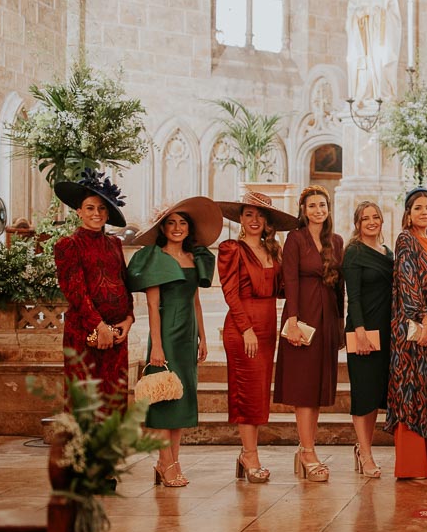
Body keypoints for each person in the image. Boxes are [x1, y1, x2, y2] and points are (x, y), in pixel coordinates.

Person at [127, 197, 222, 488]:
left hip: (187, 335)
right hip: (166, 333)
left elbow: (195, 301)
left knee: (180, 400)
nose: (178, 228)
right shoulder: (156, 258)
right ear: (163, 228)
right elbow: (153, 306)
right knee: (162, 399)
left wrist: (203, 337)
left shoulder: (194, 258)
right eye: (172, 223)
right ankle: (165, 463)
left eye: (182, 223)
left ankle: (171, 461)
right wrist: (156, 345)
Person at [216, 191, 300, 484]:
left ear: (268, 222)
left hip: (268, 325)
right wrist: (246, 328)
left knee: (260, 392)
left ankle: (247, 452)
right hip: (243, 328)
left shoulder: (273, 252)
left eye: (260, 216)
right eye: (249, 214)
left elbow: (280, 290)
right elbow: (230, 292)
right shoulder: (231, 249)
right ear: (240, 218)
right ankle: (249, 455)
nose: (254, 220)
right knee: (247, 392)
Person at [276, 185, 345, 483]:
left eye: (322, 205)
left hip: (327, 315)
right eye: (312, 206)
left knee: (317, 389)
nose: (318, 210)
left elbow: (339, 287)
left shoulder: (337, 241)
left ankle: (307, 447)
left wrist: (340, 324)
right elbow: (289, 278)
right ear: (303, 210)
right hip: (302, 315)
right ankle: (307, 451)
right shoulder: (295, 239)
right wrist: (292, 320)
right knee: (303, 389)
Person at [53, 171, 135, 411]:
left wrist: (128, 319)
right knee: (85, 395)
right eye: (90, 208)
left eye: (101, 209)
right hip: (84, 333)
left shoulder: (115, 244)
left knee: (114, 396)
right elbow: (75, 291)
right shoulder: (68, 245)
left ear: (108, 213)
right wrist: (99, 327)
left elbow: (124, 284)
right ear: (79, 212)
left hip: (118, 332)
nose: (96, 214)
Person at [386, 188, 427, 479]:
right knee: (412, 386)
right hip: (414, 322)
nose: (425, 212)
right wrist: (421, 317)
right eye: (419, 208)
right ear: (408, 214)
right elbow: (407, 279)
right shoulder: (405, 239)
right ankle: (412, 464)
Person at [343, 200, 393, 479]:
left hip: (385, 331)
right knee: (363, 394)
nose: (371, 222)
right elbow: (354, 296)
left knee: (375, 395)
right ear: (358, 224)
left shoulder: (387, 253)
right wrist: (359, 331)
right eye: (365, 218)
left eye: (375, 217)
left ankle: (363, 447)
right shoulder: (354, 252)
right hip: (363, 331)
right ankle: (366, 453)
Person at [345, 0, 402, 103]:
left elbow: (394, 18)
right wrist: (359, 13)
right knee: (362, 67)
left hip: (380, 38)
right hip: (363, 39)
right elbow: (351, 12)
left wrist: (377, 10)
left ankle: (382, 95)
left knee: (380, 65)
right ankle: (363, 95)